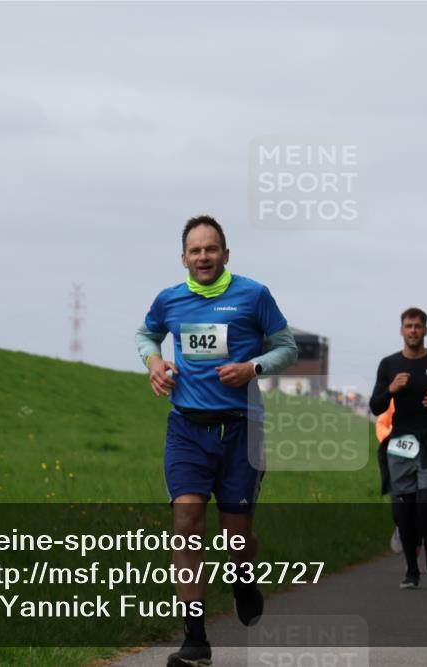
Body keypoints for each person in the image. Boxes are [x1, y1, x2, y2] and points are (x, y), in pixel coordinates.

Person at [135, 216, 298, 667]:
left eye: (211, 249)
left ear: (226, 254)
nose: (203, 257)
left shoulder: (253, 295)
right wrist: (153, 362)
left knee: (236, 538)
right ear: (183, 258)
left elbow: (287, 346)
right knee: (186, 522)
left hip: (241, 429)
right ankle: (195, 639)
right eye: (195, 250)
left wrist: (254, 368)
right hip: (187, 428)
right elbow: (145, 332)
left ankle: (243, 576)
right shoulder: (170, 299)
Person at [370, 307, 427, 589]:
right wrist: (392, 390)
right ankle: (412, 571)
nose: (413, 330)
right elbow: (376, 406)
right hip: (401, 441)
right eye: (408, 326)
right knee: (404, 513)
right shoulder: (389, 365)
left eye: (418, 326)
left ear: (425, 330)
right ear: (401, 330)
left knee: (426, 505)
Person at [376, 398, 427, 552]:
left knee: (425, 506)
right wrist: (392, 435)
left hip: (425, 460)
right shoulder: (393, 401)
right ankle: (401, 526)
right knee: (399, 507)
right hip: (399, 459)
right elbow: (380, 425)